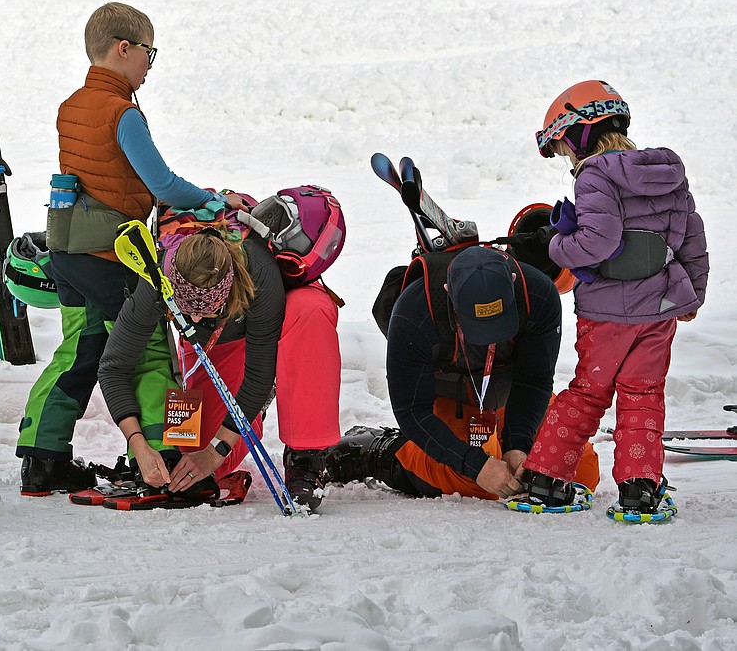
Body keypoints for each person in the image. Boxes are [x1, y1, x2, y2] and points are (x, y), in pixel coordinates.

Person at [15, 1, 245, 496]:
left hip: (66, 252)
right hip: (110, 255)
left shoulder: (71, 106)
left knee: (80, 348)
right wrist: (211, 200)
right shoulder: (123, 113)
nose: (148, 65)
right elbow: (160, 183)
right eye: (148, 53)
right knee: (146, 350)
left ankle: (41, 454)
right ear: (124, 49)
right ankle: (162, 458)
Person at [517, 80, 708, 513]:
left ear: (581, 134)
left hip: (604, 313)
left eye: (566, 148)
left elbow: (597, 243)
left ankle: (548, 481)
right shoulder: (668, 175)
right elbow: (692, 241)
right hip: (657, 310)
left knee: (587, 392)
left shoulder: (595, 175)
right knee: (642, 395)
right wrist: (692, 294)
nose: (569, 159)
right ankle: (639, 491)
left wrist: (552, 245)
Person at [327, 245, 600, 501]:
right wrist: (477, 466)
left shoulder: (538, 295)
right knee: (478, 482)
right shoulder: (413, 312)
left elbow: (534, 380)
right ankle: (384, 453)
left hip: (511, 392)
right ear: (448, 292)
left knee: (578, 472)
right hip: (452, 398)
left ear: (514, 281)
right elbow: (412, 411)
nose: (487, 338)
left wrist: (518, 446)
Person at [97, 229, 342, 510]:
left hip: (275, 327)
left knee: (309, 308)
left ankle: (305, 453)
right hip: (215, 343)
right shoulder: (158, 280)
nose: (196, 317)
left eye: (207, 309)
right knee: (195, 463)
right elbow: (113, 367)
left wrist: (217, 450)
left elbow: (258, 374)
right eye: (185, 309)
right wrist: (138, 443)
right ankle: (246, 416)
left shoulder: (259, 273)